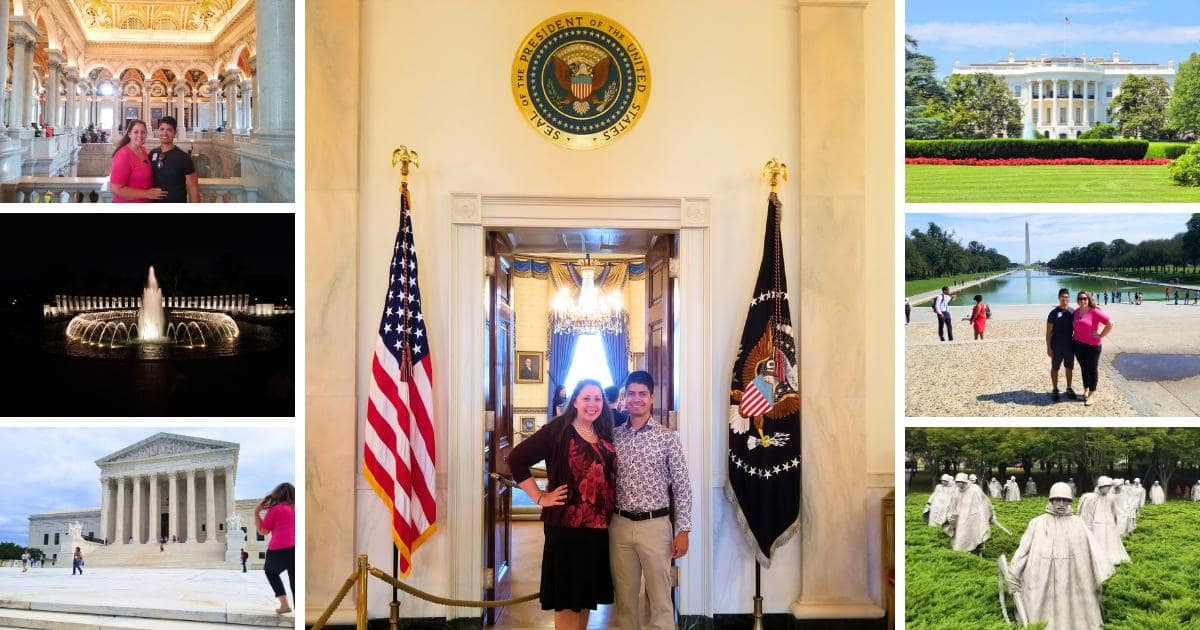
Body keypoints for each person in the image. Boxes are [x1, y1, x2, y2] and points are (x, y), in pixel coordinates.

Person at [509, 379, 617, 629]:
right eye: (587, 398)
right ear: (575, 401)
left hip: (597, 530)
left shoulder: (603, 431)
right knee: (568, 598)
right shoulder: (558, 430)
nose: (592, 404)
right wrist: (539, 497)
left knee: (585, 597)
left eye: (597, 398)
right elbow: (516, 459)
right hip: (567, 530)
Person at [610, 370, 692, 630]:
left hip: (656, 527)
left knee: (661, 601)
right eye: (631, 393)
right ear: (624, 397)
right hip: (620, 526)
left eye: (642, 394)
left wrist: (684, 529)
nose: (636, 399)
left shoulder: (667, 438)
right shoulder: (614, 436)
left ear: (652, 398)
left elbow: (682, 486)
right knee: (624, 602)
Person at [1006, 482, 1112, 630]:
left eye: (1065, 500)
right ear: (1051, 500)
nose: (1061, 504)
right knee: (1043, 611)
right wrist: (1014, 572)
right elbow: (1023, 551)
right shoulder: (1037, 523)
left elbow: (1093, 552)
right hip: (1043, 578)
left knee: (1075, 610)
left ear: (1069, 502)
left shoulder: (1078, 523)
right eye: (1057, 500)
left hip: (1072, 579)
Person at [254, 482, 295, 615]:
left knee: (270, 571)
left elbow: (262, 531)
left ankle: (284, 604)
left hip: (279, 548)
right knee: (295, 581)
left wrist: (256, 513)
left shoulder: (277, 509)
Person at [108, 119, 166, 203]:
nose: (140, 135)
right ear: (129, 134)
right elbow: (115, 189)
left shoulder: (142, 150)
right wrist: (147, 193)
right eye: (136, 132)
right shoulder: (123, 155)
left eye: (143, 132)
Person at [1071, 291, 1113, 407]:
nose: (1082, 300)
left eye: (1085, 298)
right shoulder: (1076, 312)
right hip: (1078, 345)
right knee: (1084, 368)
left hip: (1093, 346)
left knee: (1092, 369)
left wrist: (1101, 335)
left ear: (1088, 299)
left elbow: (1110, 323)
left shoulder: (1095, 312)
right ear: (1078, 300)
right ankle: (1086, 388)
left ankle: (1092, 394)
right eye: (1080, 299)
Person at [1077, 476, 1129, 566]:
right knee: (1099, 542)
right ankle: (1099, 559)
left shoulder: (1111, 498)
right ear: (1100, 486)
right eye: (1105, 486)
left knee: (1111, 542)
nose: (1108, 488)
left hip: (1109, 524)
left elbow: (1113, 511)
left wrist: (1114, 522)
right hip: (1097, 524)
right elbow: (1088, 513)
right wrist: (1088, 526)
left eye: (1109, 486)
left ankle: (1111, 558)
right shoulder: (1092, 498)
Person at [944, 472, 1001, 554]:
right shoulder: (956, 492)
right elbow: (953, 505)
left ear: (965, 482)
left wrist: (991, 514)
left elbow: (985, 501)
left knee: (978, 534)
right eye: (957, 482)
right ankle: (966, 553)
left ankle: (979, 552)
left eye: (961, 482)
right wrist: (952, 518)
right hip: (962, 518)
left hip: (975, 516)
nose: (959, 484)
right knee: (963, 536)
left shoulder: (975, 489)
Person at [148, 116, 199, 203]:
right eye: (162, 129)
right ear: (157, 131)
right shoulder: (153, 153)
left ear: (175, 133)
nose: (165, 133)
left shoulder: (184, 157)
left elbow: (193, 187)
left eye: (169, 130)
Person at [1045, 288, 1077, 403]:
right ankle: (1055, 389)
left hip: (1069, 345)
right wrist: (1048, 347)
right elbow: (1048, 332)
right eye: (1063, 296)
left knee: (1069, 368)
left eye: (1067, 297)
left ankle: (1068, 388)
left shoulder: (1073, 312)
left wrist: (1093, 308)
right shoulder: (1053, 313)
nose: (1065, 299)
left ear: (1069, 298)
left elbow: (1083, 319)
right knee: (1055, 368)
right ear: (1059, 298)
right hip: (1056, 346)